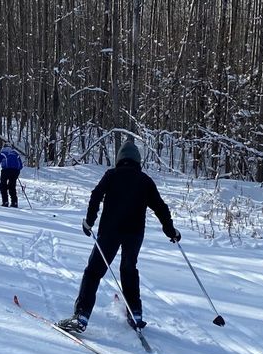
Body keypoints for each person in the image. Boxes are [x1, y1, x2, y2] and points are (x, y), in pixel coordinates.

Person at [58, 139, 180, 334]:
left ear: (120, 159)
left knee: (93, 272)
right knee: (129, 269)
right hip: (134, 233)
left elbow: (96, 195)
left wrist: (89, 221)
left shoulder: (112, 175)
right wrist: (171, 231)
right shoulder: (144, 180)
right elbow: (160, 207)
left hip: (110, 232)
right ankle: (136, 314)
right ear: (137, 161)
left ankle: (81, 316)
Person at [0, 142, 24, 207]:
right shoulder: (15, 153)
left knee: (3, 185)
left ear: (4, 147)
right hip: (16, 171)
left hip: (6, 170)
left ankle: (5, 201)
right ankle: (14, 202)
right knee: (12, 186)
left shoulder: (3, 152)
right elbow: (21, 166)